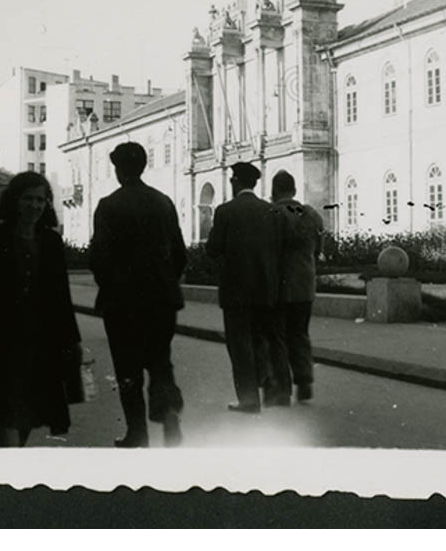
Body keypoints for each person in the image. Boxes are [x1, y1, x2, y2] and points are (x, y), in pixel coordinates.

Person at [0, 171, 81, 447]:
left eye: (41, 200)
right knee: (6, 413)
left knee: (29, 414)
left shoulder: (52, 242)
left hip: (41, 344)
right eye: (28, 199)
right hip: (2, 344)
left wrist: (73, 341)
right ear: (14, 201)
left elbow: (62, 299)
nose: (35, 206)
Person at [89, 141, 186, 448]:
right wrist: (166, 281)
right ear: (143, 167)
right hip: (161, 301)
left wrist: (110, 286)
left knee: (128, 370)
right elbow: (180, 253)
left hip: (123, 303)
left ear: (118, 170)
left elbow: (98, 257)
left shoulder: (108, 205)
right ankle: (170, 421)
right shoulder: (163, 202)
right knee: (160, 363)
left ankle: (137, 434)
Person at [205, 161, 290, 412]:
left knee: (240, 346)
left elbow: (213, 249)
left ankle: (249, 399)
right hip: (266, 289)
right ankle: (270, 386)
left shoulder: (225, 211)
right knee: (263, 340)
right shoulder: (271, 211)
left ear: (235, 182)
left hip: (236, 292)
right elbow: (281, 249)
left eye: (232, 180)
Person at [271, 170, 324, 402]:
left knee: (278, 336)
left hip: (280, 286)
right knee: (300, 333)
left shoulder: (273, 214)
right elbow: (318, 248)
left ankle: (282, 389)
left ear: (275, 191)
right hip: (305, 284)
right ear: (293, 190)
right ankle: (304, 380)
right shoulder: (311, 214)